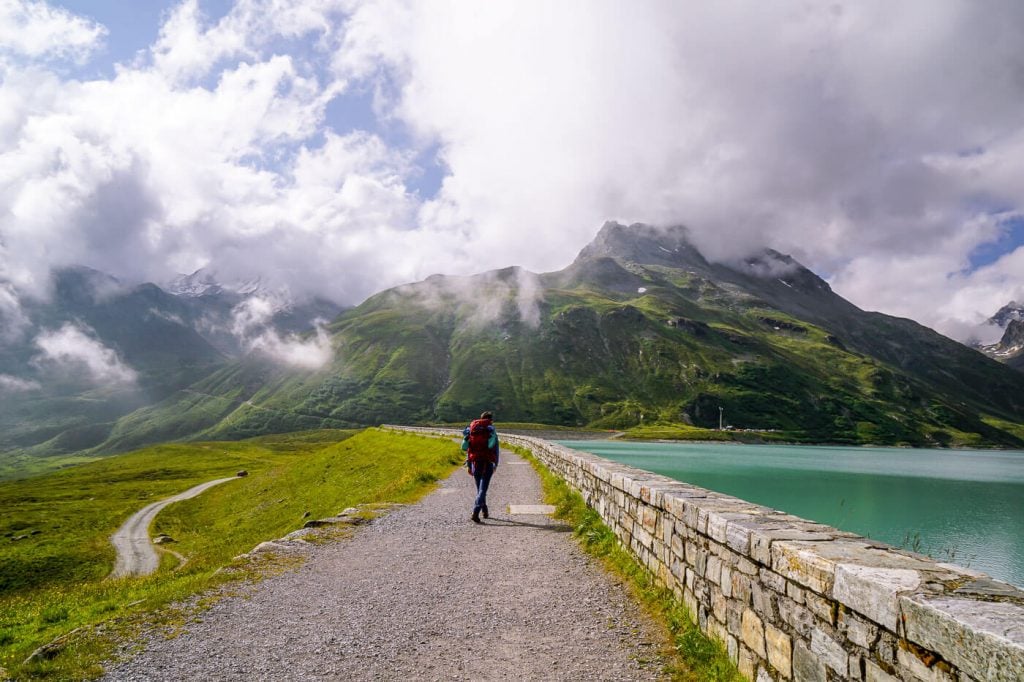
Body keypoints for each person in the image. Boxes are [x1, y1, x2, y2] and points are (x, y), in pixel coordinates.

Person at [462, 410, 499, 523]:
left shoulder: (472, 430)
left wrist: (469, 464)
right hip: (487, 463)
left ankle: (485, 510)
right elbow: (496, 451)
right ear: (490, 420)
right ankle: (475, 511)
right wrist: (495, 465)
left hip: (475, 463)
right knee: (483, 490)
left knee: (479, 489)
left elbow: (468, 449)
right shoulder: (491, 431)